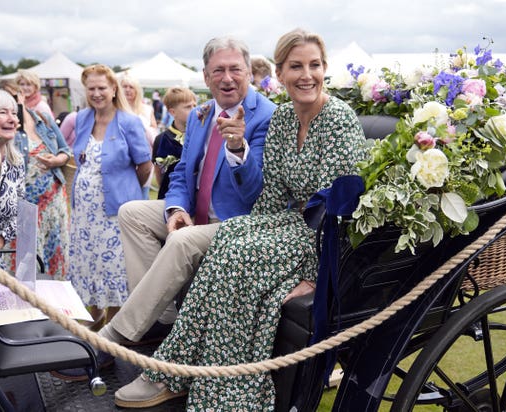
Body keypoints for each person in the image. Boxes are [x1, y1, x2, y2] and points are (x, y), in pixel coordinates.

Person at [114, 28, 367, 410]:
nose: (306, 75)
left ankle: (201, 377)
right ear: (279, 74)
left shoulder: (338, 119)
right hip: (284, 223)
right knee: (229, 238)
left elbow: (339, 212)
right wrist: (244, 230)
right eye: (295, 66)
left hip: (318, 234)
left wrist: (314, 277)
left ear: (325, 69)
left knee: (234, 254)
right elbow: (270, 196)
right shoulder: (284, 119)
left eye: (315, 65)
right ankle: (180, 366)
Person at [91, 36, 276, 355]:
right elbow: (182, 172)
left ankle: (117, 333)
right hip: (197, 214)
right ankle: (160, 321)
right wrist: (176, 208)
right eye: (218, 70)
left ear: (248, 72)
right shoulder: (200, 114)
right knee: (131, 212)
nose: (227, 78)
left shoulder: (267, 115)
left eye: (235, 69)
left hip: (240, 222)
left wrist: (237, 148)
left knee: (180, 241)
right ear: (205, 77)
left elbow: (256, 191)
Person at [66, 64, 152, 331]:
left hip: (115, 211)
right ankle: (94, 318)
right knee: (89, 265)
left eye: (101, 87)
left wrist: (127, 192)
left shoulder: (129, 122)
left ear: (113, 89)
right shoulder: (82, 119)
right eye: (91, 88)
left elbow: (145, 165)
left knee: (114, 268)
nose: (96, 93)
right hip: (84, 214)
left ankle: (112, 328)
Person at [0, 79, 72, 279]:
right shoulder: (8, 130)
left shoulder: (43, 119)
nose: (12, 107)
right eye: (3, 107)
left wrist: (56, 160)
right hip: (26, 204)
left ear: (22, 95)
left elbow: (65, 150)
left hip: (53, 201)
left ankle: (53, 300)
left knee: (54, 252)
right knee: (27, 261)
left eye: (14, 97)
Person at [0, 88, 26, 273]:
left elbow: (20, 212)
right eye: (3, 112)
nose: (12, 119)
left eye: (15, 114)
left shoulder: (16, 162)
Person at [151, 87, 197, 199]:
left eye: (195, 106)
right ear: (172, 112)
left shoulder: (201, 136)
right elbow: (159, 175)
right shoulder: (161, 140)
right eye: (188, 107)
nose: (194, 110)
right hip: (170, 197)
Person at [120, 75, 158, 145]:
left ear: (137, 91)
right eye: (124, 86)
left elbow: (154, 132)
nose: (127, 90)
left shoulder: (147, 109)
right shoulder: (114, 109)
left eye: (131, 87)